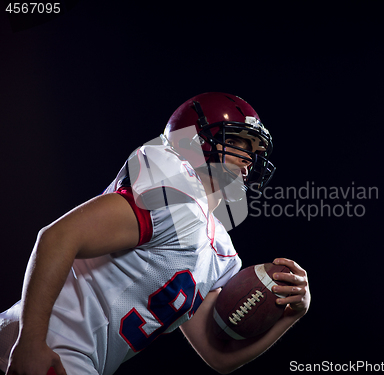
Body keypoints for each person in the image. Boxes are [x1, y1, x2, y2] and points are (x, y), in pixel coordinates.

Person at [0, 92, 310, 375]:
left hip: (79, 362)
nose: (249, 160)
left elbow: (218, 356)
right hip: (43, 344)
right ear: (196, 138)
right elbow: (57, 238)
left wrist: (292, 315)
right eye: (240, 142)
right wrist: (30, 343)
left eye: (255, 151)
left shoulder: (222, 253)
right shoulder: (173, 189)